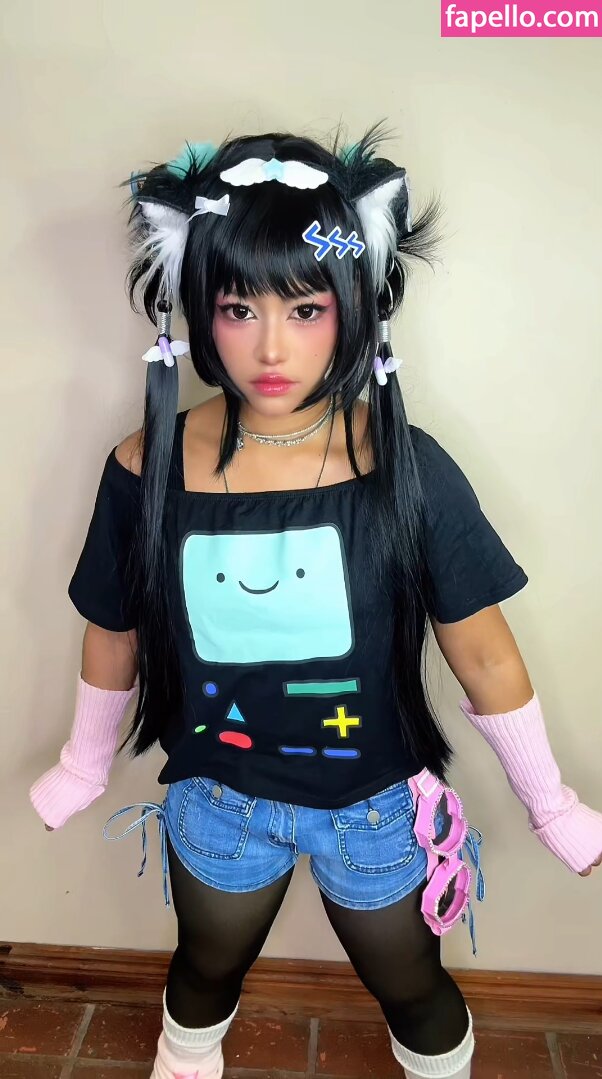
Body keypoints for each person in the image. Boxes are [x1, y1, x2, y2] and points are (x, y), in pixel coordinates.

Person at [30, 122, 602, 1079]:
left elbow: (484, 648)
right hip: (217, 798)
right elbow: (113, 628)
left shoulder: (406, 466)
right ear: (197, 308)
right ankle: (185, 1060)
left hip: (373, 807)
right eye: (237, 307)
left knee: (413, 984)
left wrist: (552, 803)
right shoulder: (145, 466)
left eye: (304, 308)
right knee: (203, 970)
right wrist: (83, 762)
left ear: (354, 306)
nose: (270, 346)